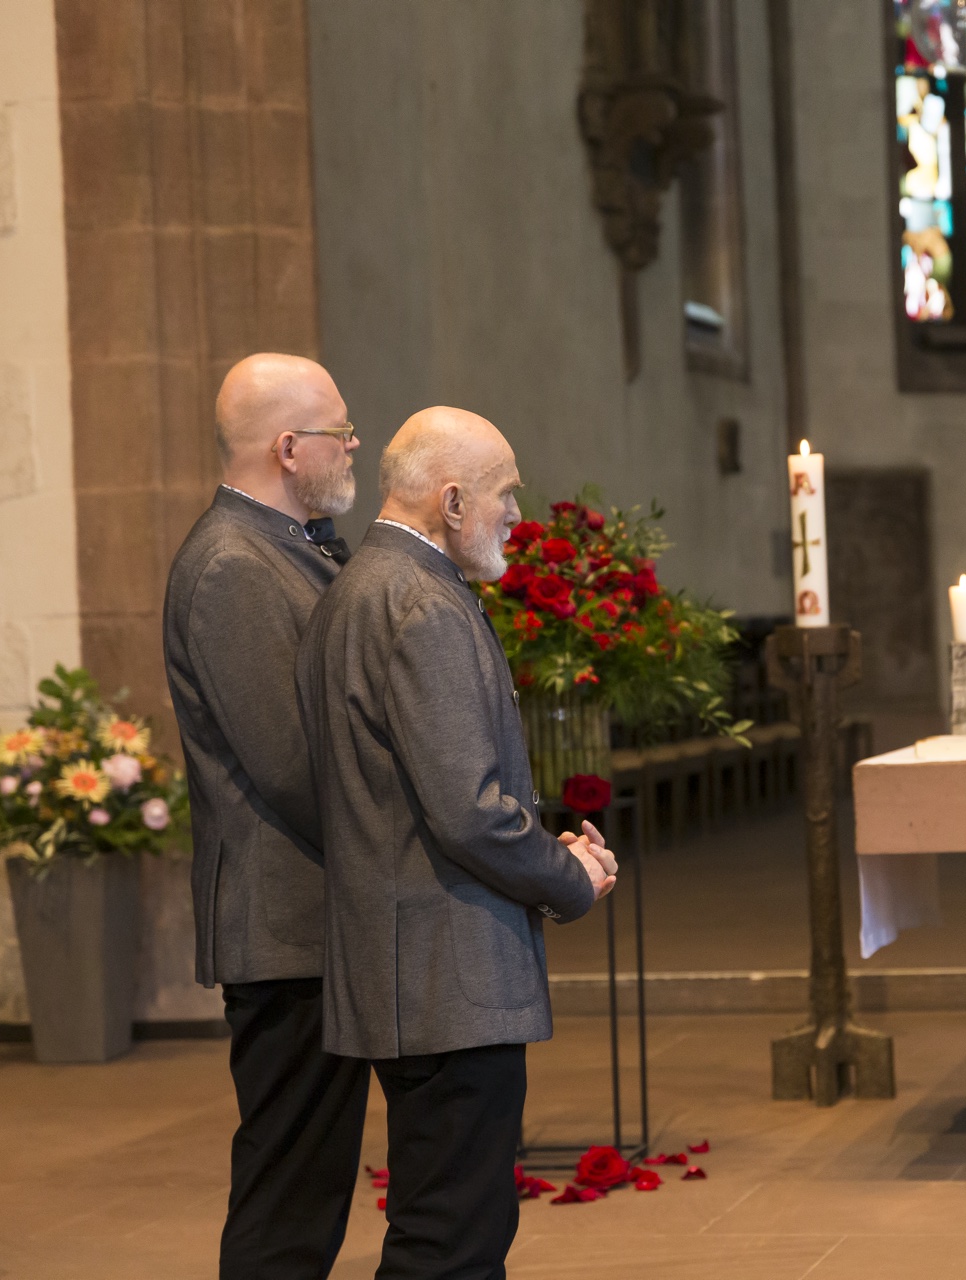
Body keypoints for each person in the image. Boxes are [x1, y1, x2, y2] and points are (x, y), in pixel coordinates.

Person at [297, 407, 616, 1280]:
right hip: (446, 973)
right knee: (453, 1242)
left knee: (449, 1228)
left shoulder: (360, 589)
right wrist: (569, 873)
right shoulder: (420, 603)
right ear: (449, 501)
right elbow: (467, 813)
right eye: (506, 494)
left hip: (410, 967)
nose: (519, 513)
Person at [162, 352, 367, 1279]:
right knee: (288, 1200)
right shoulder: (233, 566)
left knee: (310, 1186)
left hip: (313, 921)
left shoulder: (292, 546)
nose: (353, 444)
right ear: (290, 448)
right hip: (283, 927)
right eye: (340, 429)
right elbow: (291, 765)